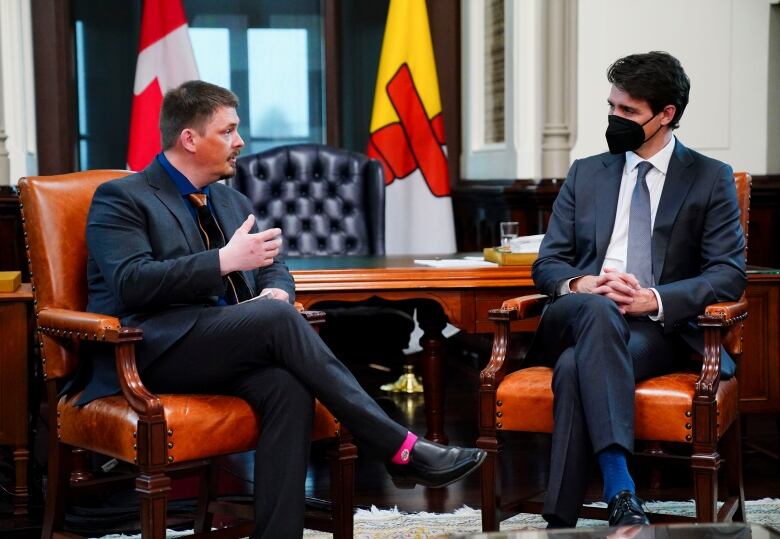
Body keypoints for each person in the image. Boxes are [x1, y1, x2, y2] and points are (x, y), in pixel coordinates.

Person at [81, 80, 485, 539]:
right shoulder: (123, 198)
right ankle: (399, 448)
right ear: (189, 139)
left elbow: (274, 265)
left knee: (286, 385)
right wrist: (223, 262)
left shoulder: (232, 200)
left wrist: (276, 293)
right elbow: (132, 283)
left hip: (220, 345)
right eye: (229, 131)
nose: (240, 142)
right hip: (150, 350)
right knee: (276, 322)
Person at [529, 51, 746, 527]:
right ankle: (620, 487)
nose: (615, 119)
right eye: (612, 108)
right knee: (597, 311)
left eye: (628, 112)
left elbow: (728, 273)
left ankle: (560, 519)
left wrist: (654, 298)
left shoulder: (710, 178)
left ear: (666, 114)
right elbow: (547, 264)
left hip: (655, 330)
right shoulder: (588, 172)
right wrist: (585, 282)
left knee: (573, 368)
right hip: (576, 313)